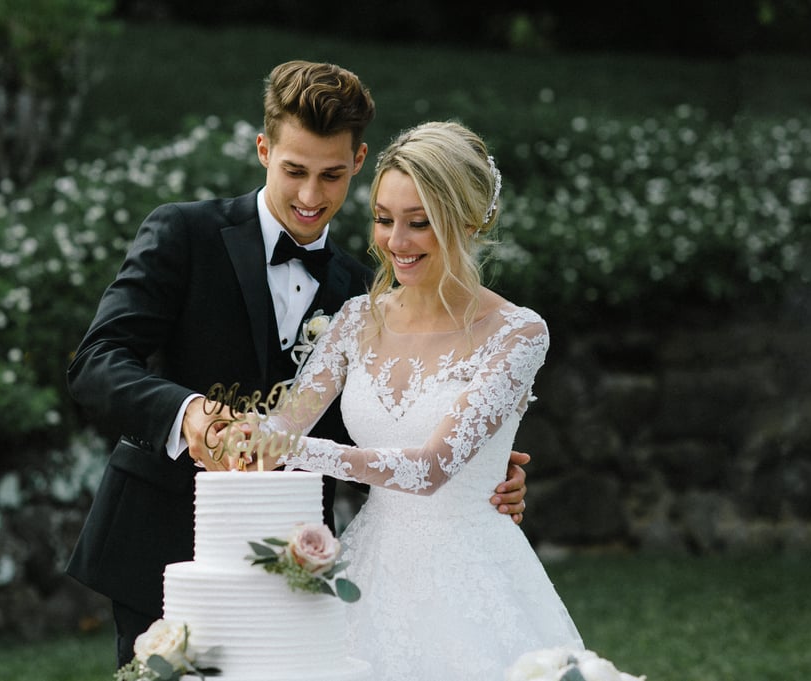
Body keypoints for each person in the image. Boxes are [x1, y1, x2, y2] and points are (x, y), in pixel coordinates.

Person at [64, 62, 530, 669]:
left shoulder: (367, 297)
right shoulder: (185, 233)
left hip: (305, 561)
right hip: (164, 542)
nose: (311, 197)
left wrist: (480, 472)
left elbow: (378, 434)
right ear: (264, 150)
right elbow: (96, 362)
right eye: (295, 172)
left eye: (332, 175)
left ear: (359, 161)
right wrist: (190, 415)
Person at [228, 120, 584, 679]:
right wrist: (244, 434)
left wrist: (294, 447)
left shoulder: (518, 334)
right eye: (383, 219)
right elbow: (284, 422)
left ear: (470, 222)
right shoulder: (354, 320)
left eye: (419, 224)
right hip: (367, 565)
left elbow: (431, 468)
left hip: (472, 579)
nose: (395, 242)